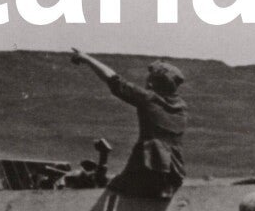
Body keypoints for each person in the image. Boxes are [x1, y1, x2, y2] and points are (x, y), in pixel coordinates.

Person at [69, 51, 187, 198]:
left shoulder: (149, 99)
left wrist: (86, 58)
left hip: (146, 170)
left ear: (152, 82)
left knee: (98, 184)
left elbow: (113, 80)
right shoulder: (181, 107)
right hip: (173, 174)